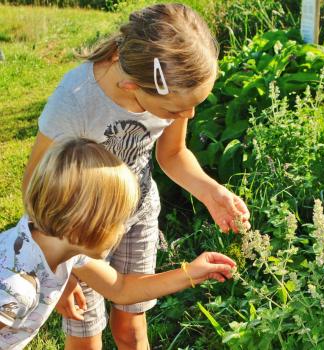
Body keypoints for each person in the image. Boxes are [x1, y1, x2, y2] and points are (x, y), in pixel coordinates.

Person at [22, 3, 250, 349]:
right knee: (86, 335)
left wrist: (210, 192)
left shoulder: (172, 89)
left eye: (193, 107)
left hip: (139, 213)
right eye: (176, 110)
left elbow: (172, 154)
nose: (186, 114)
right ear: (131, 85)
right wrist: (57, 264)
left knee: (131, 329)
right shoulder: (74, 103)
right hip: (79, 232)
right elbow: (33, 187)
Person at [1, 138, 236, 350]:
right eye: (118, 221)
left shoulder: (60, 245)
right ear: (85, 225)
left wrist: (190, 274)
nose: (123, 229)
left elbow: (121, 288)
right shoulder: (17, 287)